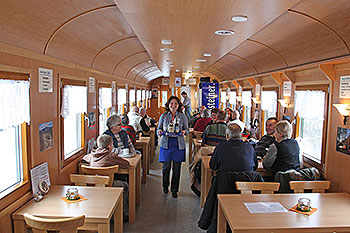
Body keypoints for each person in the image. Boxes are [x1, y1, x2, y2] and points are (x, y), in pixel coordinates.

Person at [82, 134, 130, 221]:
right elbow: (126, 164)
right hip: (107, 185)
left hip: (91, 185)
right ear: (109, 146)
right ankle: (120, 214)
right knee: (125, 185)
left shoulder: (91, 155)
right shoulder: (111, 156)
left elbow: (84, 159)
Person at [158, 96, 189, 198]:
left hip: (178, 144)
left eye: (176, 103)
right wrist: (159, 132)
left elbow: (187, 130)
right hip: (166, 144)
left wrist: (184, 131)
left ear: (179, 105)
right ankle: (165, 186)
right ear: (168, 104)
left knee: (177, 169)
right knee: (166, 168)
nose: (173, 105)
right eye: (172, 103)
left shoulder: (182, 116)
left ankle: (175, 190)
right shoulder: (163, 116)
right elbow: (159, 128)